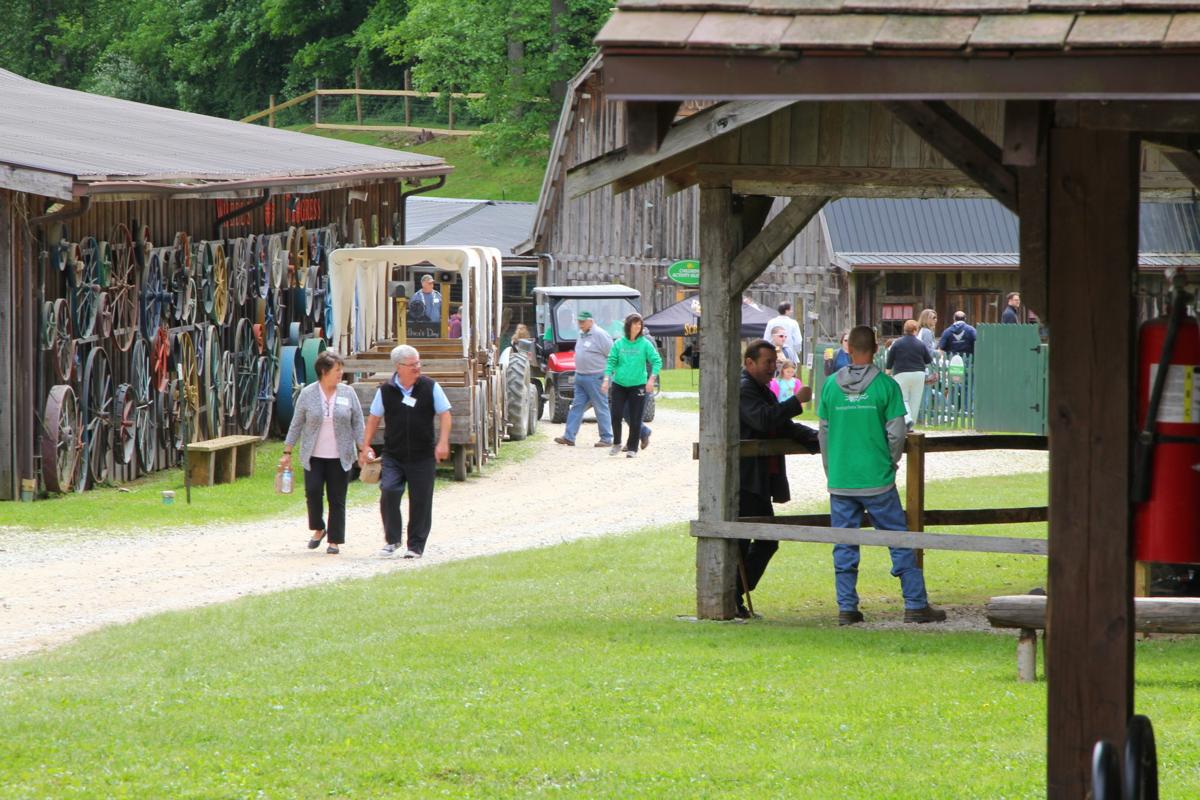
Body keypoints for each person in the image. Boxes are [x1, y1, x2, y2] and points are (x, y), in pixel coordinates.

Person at [818, 326, 946, 626]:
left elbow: (823, 433)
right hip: (877, 479)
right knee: (898, 540)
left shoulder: (830, 386)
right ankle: (915, 603)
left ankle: (846, 608)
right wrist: (889, 462)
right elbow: (897, 433)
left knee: (843, 543)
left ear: (849, 349)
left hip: (842, 479)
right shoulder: (887, 387)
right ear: (876, 349)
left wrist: (831, 467)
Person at [738, 339, 819, 618]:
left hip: (757, 480)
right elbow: (764, 420)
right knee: (746, 541)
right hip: (745, 480)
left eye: (774, 362)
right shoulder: (745, 389)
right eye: (767, 362)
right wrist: (796, 401)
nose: (773, 367)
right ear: (750, 363)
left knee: (764, 540)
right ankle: (731, 595)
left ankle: (733, 593)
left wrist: (821, 438)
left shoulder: (761, 389)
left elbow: (784, 426)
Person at [360, 344, 452, 559]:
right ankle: (393, 540)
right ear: (398, 367)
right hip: (394, 454)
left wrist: (443, 442)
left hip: (423, 455)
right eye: (412, 365)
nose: (417, 367)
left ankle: (415, 546)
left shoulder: (430, 387)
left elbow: (445, 414)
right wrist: (366, 446)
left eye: (418, 363)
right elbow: (373, 418)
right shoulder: (385, 390)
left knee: (421, 500)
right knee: (389, 490)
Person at [282, 351, 366, 555]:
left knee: (337, 498)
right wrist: (287, 451)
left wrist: (363, 448)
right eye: (337, 370)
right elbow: (296, 424)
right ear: (323, 371)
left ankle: (334, 541)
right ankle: (319, 528)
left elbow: (358, 422)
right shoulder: (308, 394)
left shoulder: (348, 393)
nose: (341, 373)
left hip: (341, 456)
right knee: (312, 492)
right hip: (314, 456)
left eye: (341, 370)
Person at [601, 313, 662, 458]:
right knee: (616, 414)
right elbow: (611, 362)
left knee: (635, 417)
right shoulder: (619, 343)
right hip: (619, 384)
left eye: (640, 324)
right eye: (635, 323)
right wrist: (606, 379)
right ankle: (617, 443)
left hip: (638, 384)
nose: (638, 326)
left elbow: (657, 361)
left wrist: (651, 379)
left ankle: (632, 448)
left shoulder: (645, 344)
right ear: (628, 326)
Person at [554, 310, 614, 448]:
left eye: (582, 321)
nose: (580, 324)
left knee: (600, 406)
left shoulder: (600, 334)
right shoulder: (581, 334)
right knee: (577, 406)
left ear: (591, 321)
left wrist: (608, 376)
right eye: (579, 321)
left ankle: (606, 438)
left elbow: (612, 355)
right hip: (580, 376)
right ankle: (569, 436)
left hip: (596, 376)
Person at [885, 320, 932, 429]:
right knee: (915, 400)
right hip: (919, 374)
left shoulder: (897, 343)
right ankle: (910, 426)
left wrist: (887, 373)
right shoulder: (920, 344)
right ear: (915, 330)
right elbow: (928, 360)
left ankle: (907, 419)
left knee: (902, 398)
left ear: (905, 330)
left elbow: (890, 360)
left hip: (901, 373)